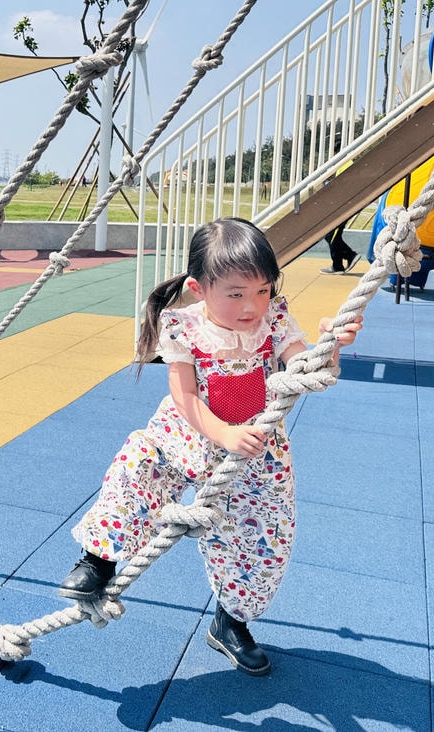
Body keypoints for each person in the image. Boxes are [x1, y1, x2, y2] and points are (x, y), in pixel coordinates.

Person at [57, 217, 361, 676]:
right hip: (190, 432)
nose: (251, 306)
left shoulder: (274, 317)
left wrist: (329, 347)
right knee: (138, 463)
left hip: (255, 446)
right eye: (236, 294)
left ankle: (230, 619)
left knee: (267, 536)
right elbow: (185, 398)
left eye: (262, 290)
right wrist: (222, 433)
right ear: (200, 289)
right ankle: (99, 559)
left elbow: (300, 365)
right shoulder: (181, 326)